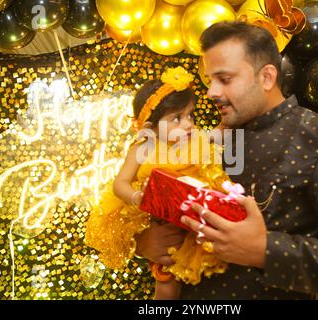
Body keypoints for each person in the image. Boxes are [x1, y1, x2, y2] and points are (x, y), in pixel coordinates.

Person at [135, 21, 318, 299]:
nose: (211, 93)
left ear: (267, 77)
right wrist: (147, 244)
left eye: (225, 79)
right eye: (210, 81)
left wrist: (265, 251)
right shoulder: (202, 142)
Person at [85, 66, 232, 299]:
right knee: (166, 276)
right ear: (150, 127)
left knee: (204, 259)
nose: (187, 124)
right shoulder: (143, 149)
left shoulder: (195, 139)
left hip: (194, 214)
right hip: (162, 218)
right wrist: (137, 198)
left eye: (190, 115)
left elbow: (220, 132)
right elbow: (120, 183)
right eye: (176, 118)